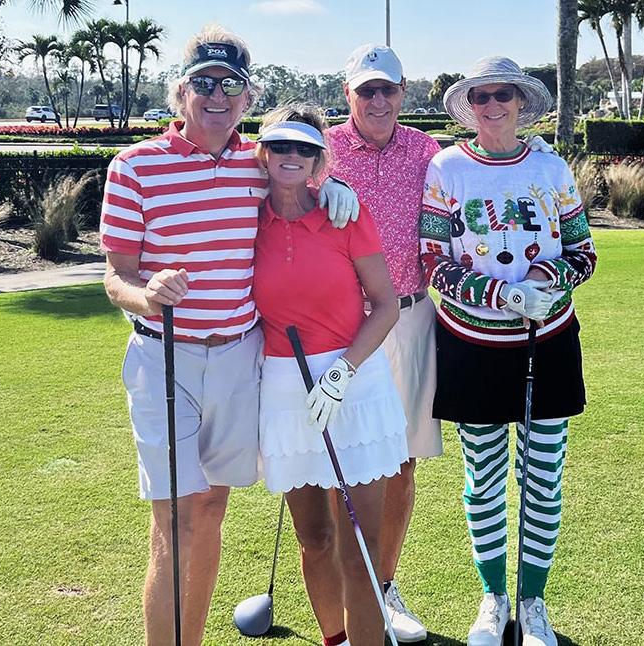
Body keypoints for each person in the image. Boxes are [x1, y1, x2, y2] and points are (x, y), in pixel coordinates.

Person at [99, 25, 357, 645]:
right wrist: (146, 293)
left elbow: (300, 175)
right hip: (166, 359)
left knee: (211, 509)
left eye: (231, 85)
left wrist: (332, 184)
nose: (217, 96)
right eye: (204, 83)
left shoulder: (257, 164)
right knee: (176, 521)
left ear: (247, 97)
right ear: (181, 92)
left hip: (241, 358)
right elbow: (115, 275)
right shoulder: (134, 167)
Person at [420, 57, 597, 646]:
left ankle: (533, 602)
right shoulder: (446, 168)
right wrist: (501, 294)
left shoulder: (551, 167)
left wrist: (547, 279)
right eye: (481, 97)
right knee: (484, 481)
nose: (492, 105)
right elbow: (432, 262)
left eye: (503, 95)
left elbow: (584, 252)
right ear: (469, 107)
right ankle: (493, 599)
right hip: (472, 345)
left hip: (547, 341)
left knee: (543, 479)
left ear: (521, 102)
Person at [253, 105, 409, 646]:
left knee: (358, 548)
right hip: (284, 388)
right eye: (280, 145)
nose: (291, 155)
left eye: (305, 148)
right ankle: (335, 639)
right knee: (315, 538)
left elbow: (386, 305)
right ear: (263, 153)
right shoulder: (247, 215)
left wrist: (343, 370)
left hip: (353, 382)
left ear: (320, 158)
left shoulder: (345, 214)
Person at [326, 43, 443, 643]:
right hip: (339, 329)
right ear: (348, 93)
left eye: (387, 89)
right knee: (336, 464)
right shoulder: (321, 149)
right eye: (366, 90)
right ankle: (340, 589)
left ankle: (383, 586)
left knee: (400, 464)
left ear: (403, 93)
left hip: (411, 317)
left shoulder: (428, 152)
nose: (377, 100)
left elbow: (479, 174)